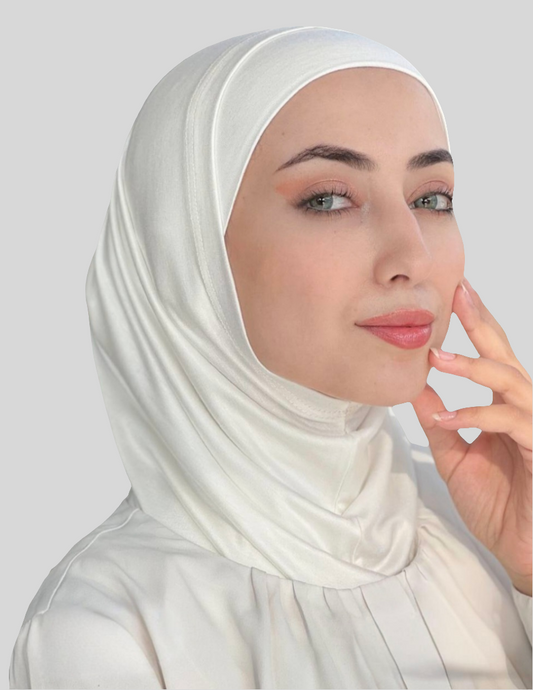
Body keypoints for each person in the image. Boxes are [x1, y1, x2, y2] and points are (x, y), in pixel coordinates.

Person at [9, 25, 532, 690]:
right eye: (328, 199)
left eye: (430, 198)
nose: (413, 256)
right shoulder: (106, 631)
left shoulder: (491, 514)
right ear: (188, 249)